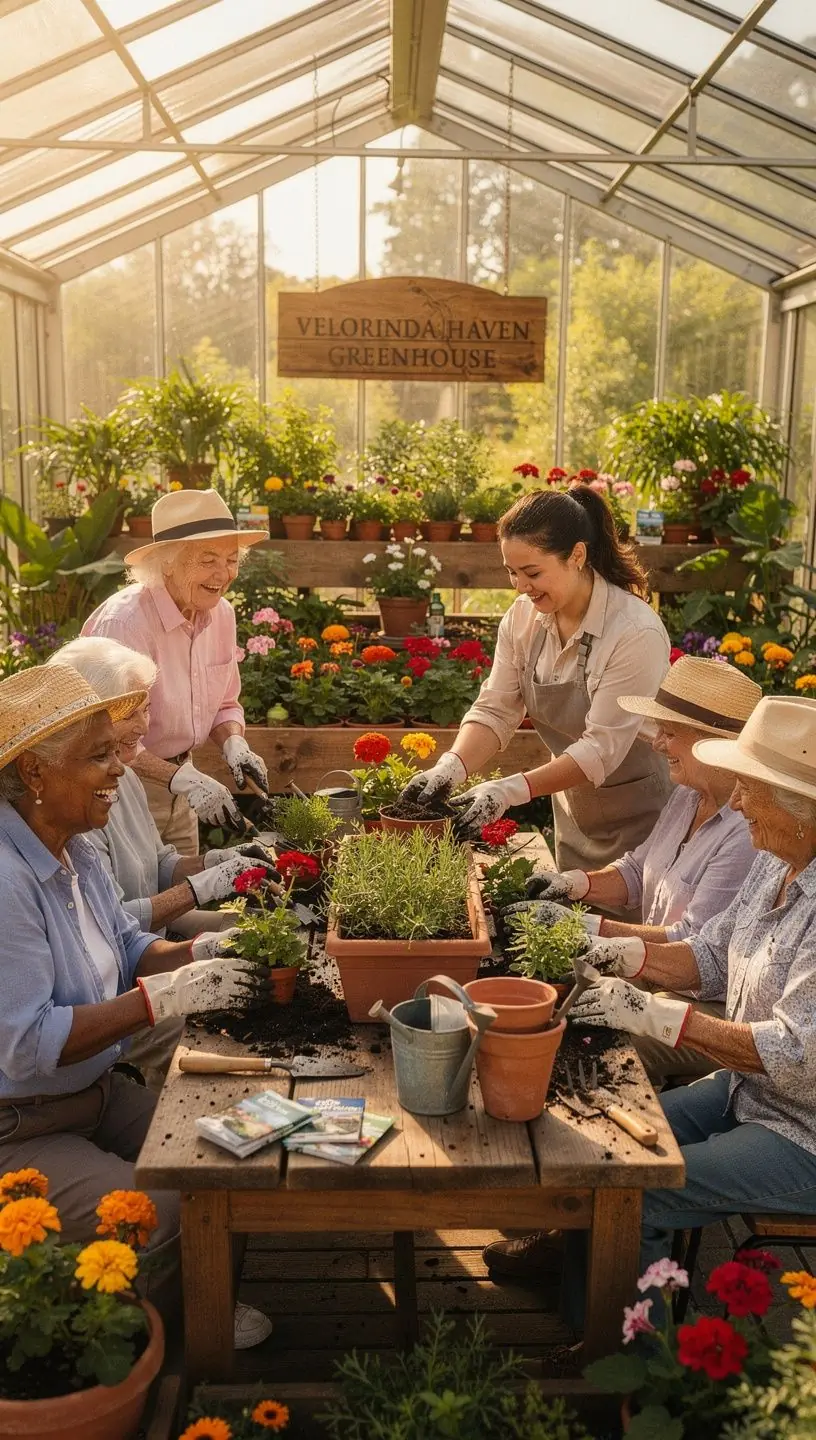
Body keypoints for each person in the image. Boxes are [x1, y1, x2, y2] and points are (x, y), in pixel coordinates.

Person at [0, 664, 274, 1348]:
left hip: (89, 1094)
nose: (121, 768)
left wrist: (200, 958)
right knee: (170, 1207)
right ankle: (172, 1339)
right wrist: (166, 997)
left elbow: (127, 944)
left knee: (241, 1138)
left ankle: (197, 1296)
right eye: (99, 756)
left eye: (116, 751)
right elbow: (29, 1043)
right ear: (34, 773)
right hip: (20, 1128)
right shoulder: (6, 882)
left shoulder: (74, 847)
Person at [483, 657, 762, 1285]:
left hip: (708, 1007)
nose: (658, 741)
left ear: (717, 743)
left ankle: (575, 1225)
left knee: (595, 1046)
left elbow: (699, 960)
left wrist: (589, 932)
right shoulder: (686, 794)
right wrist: (573, 883)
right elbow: (636, 871)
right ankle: (571, 1212)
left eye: (671, 730)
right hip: (655, 978)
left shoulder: (748, 833)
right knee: (553, 1014)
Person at [567, 695, 816, 1322]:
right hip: (748, 1090)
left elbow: (795, 1054)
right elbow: (710, 953)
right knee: (602, 1142)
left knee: (637, 1193)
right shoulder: (777, 864)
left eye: (750, 790)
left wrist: (652, 1016)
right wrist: (613, 952)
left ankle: (635, 1368)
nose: (735, 802)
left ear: (802, 811)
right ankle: (582, 1299)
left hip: (803, 1132)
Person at [49, 636, 280, 1090]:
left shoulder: (125, 779)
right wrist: (201, 889)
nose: (145, 723)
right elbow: (111, 926)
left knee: (266, 942)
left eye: (145, 707)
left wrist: (220, 861)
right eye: (130, 710)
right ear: (88, 716)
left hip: (145, 964)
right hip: (114, 1005)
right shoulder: (70, 812)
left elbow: (159, 862)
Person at [402, 487, 672, 872]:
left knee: (626, 925)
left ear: (577, 555)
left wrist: (508, 790)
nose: (520, 586)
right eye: (512, 572)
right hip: (574, 811)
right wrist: (451, 767)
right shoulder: (523, 619)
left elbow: (600, 750)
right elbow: (495, 709)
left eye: (532, 572)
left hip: (641, 822)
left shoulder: (633, 632)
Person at [82, 489, 270, 855]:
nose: (224, 573)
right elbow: (104, 734)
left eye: (232, 560)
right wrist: (180, 779)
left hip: (183, 786)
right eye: (208, 560)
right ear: (167, 561)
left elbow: (225, 703)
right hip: (120, 788)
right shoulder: (126, 624)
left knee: (181, 896)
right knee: (133, 903)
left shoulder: (222, 615)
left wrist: (234, 742)